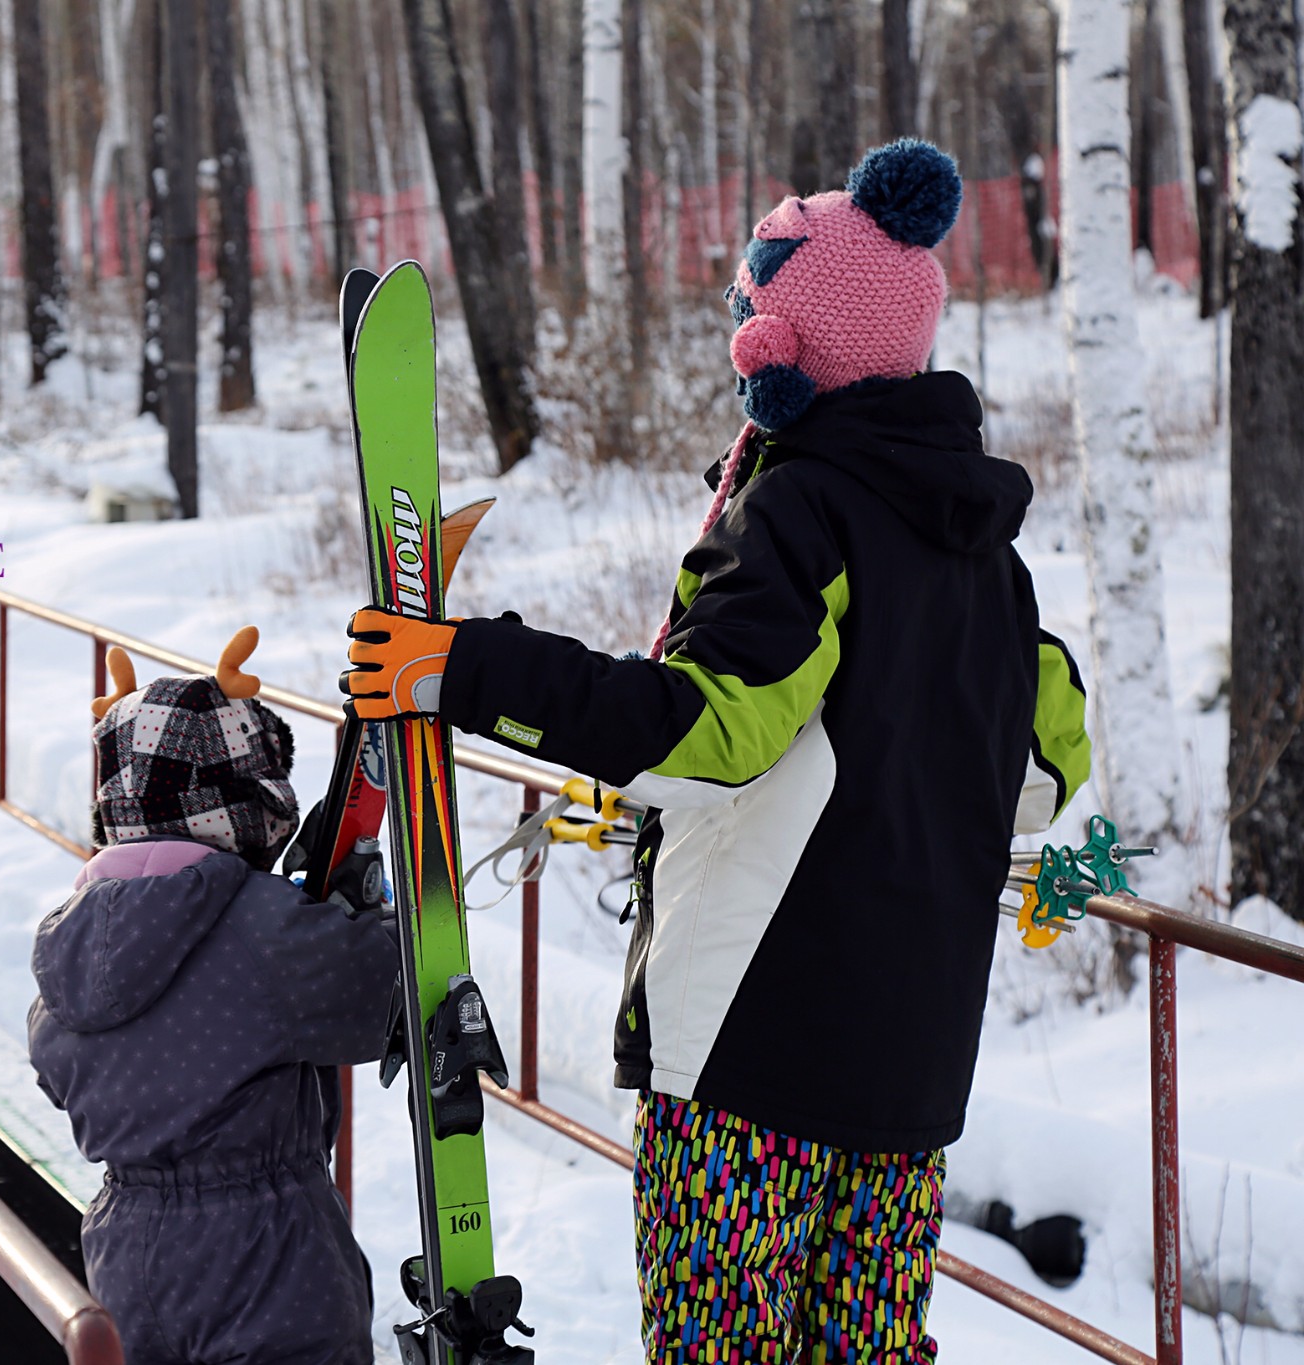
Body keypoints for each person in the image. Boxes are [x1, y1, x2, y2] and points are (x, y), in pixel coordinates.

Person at [337, 140, 1092, 1362]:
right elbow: (1049, 772)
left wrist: (463, 669)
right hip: (907, 1083)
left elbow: (707, 733)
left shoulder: (800, 512)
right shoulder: (987, 565)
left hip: (755, 1066)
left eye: (751, 308)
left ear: (785, 349)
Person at [29, 627, 396, 1365]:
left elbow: (53, 1067)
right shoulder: (262, 930)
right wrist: (363, 913)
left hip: (126, 1251)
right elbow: (379, 997)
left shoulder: (64, 943)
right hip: (267, 1254)